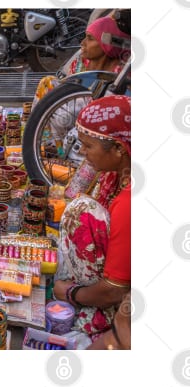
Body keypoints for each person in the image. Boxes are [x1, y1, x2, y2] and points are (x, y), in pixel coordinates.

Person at [52, 95, 131, 343]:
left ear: (119, 149)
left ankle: (101, 314)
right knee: (77, 205)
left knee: (81, 211)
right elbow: (72, 191)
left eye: (88, 146)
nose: (82, 152)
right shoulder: (114, 172)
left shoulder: (130, 203)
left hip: (116, 295)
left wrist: (72, 293)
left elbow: (114, 290)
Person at [33, 11, 130, 105]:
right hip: (73, 106)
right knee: (47, 82)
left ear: (108, 45)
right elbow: (66, 87)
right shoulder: (81, 62)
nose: (82, 43)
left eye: (90, 38)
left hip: (97, 112)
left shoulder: (122, 73)